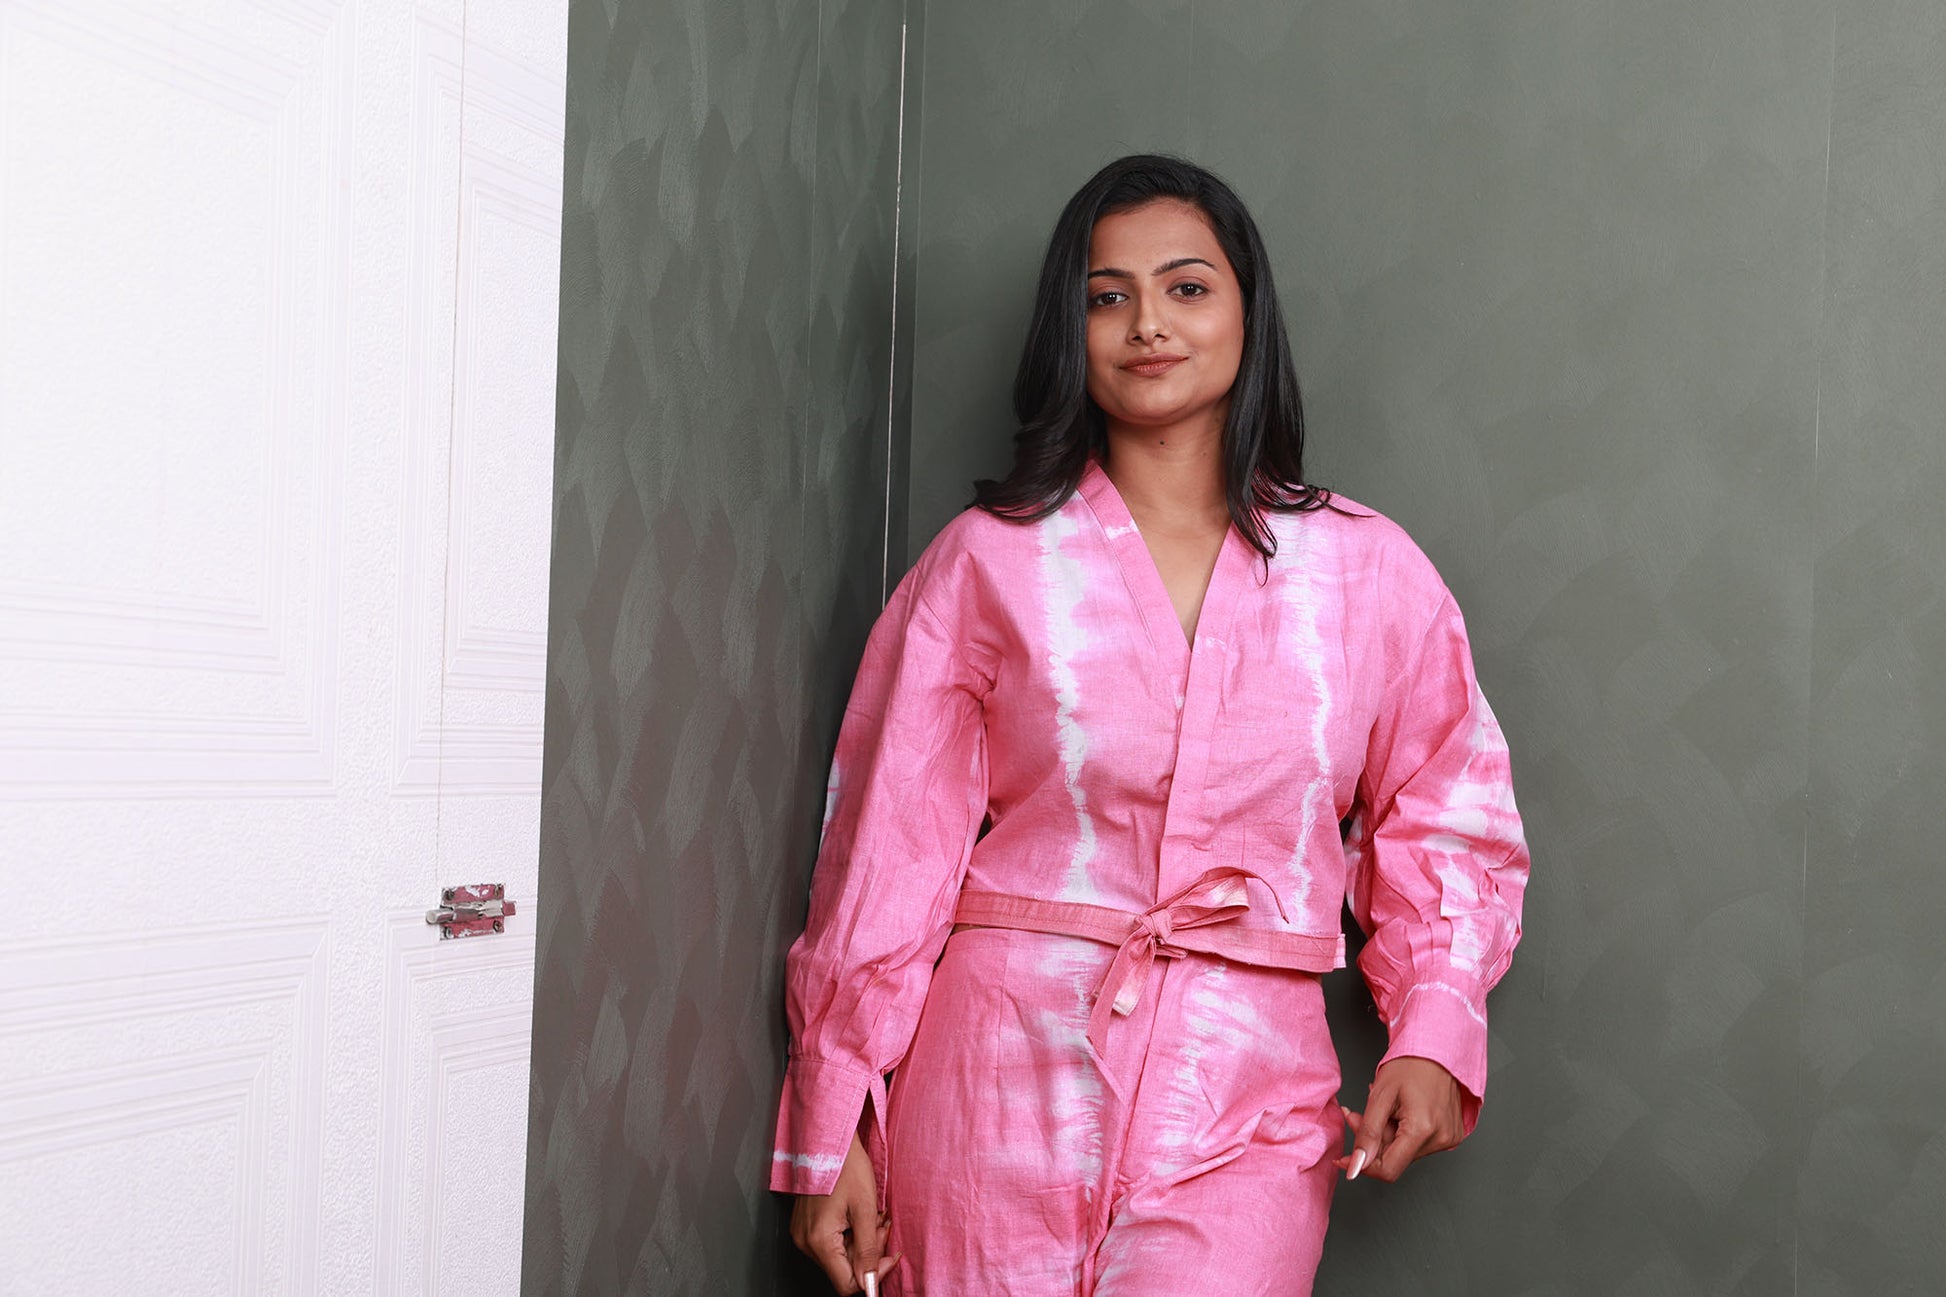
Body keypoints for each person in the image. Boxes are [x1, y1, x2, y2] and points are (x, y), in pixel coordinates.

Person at [772, 154, 1529, 1296]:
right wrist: (832, 1118)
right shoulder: (985, 564)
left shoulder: (1369, 573)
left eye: (1186, 287)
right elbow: (887, 850)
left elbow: (1448, 813)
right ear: (1067, 330)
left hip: (1248, 1089)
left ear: (1246, 312)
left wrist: (1430, 1023)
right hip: (993, 1070)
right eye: (1105, 295)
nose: (1146, 325)